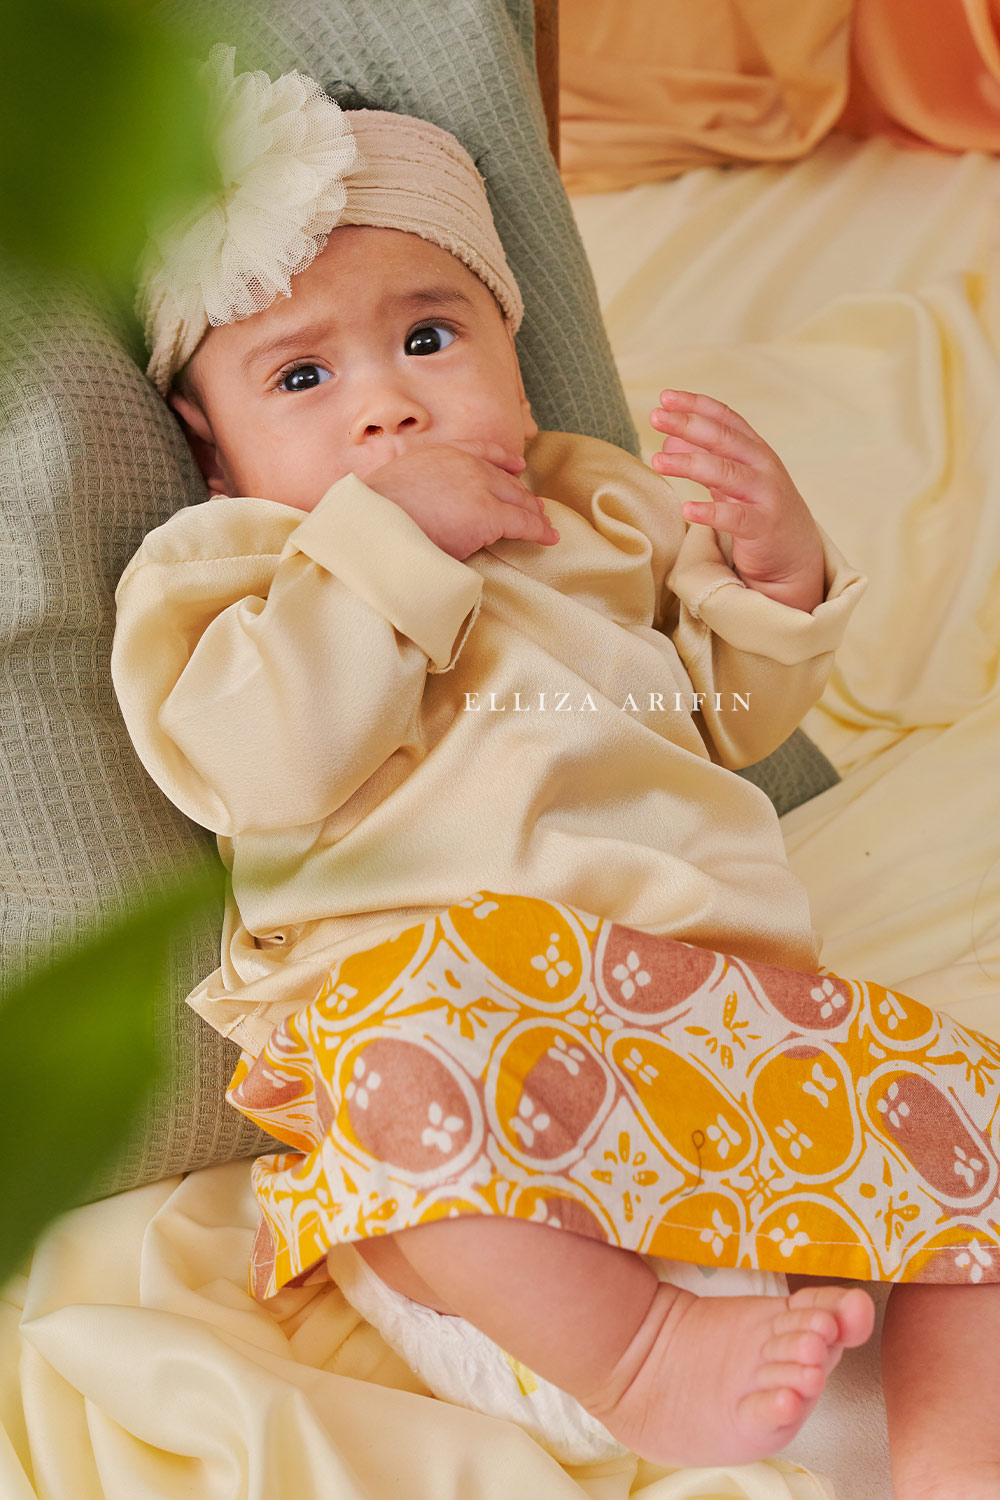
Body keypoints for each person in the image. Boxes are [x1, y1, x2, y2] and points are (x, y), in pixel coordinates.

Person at [112, 45, 1000, 1497]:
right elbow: (259, 766)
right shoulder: (231, 577)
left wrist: (775, 577)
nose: (386, 410)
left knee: (977, 1124)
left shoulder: (593, 511)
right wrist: (387, 544)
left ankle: (957, 1464)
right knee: (382, 1066)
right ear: (214, 453)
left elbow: (734, 718)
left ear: (513, 347)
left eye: (428, 340)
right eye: (303, 376)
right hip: (489, 1144)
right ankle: (652, 1359)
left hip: (712, 1036)